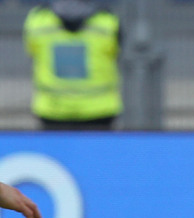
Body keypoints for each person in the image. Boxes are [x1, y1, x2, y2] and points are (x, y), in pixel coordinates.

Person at [23, 0, 123, 130]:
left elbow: (32, 52)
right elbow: (117, 52)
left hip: (52, 108)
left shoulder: (38, 20)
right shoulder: (107, 21)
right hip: (99, 109)